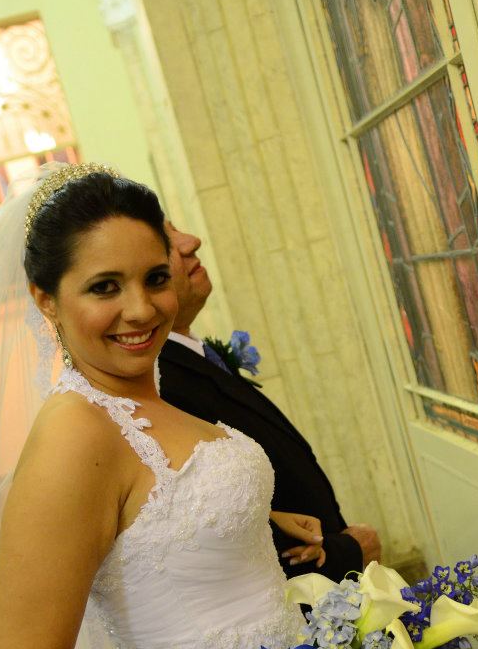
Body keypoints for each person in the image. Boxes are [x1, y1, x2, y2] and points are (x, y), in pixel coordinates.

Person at [0, 164, 478, 649]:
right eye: (104, 287)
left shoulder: (145, 397)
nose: (141, 309)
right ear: (47, 300)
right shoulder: (73, 433)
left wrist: (254, 515)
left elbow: (149, 511)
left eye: (155, 278)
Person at [159, 220, 382, 582]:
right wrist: (348, 553)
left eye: (175, 227)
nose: (191, 241)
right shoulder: (161, 390)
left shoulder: (191, 358)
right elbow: (216, 530)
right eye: (165, 239)